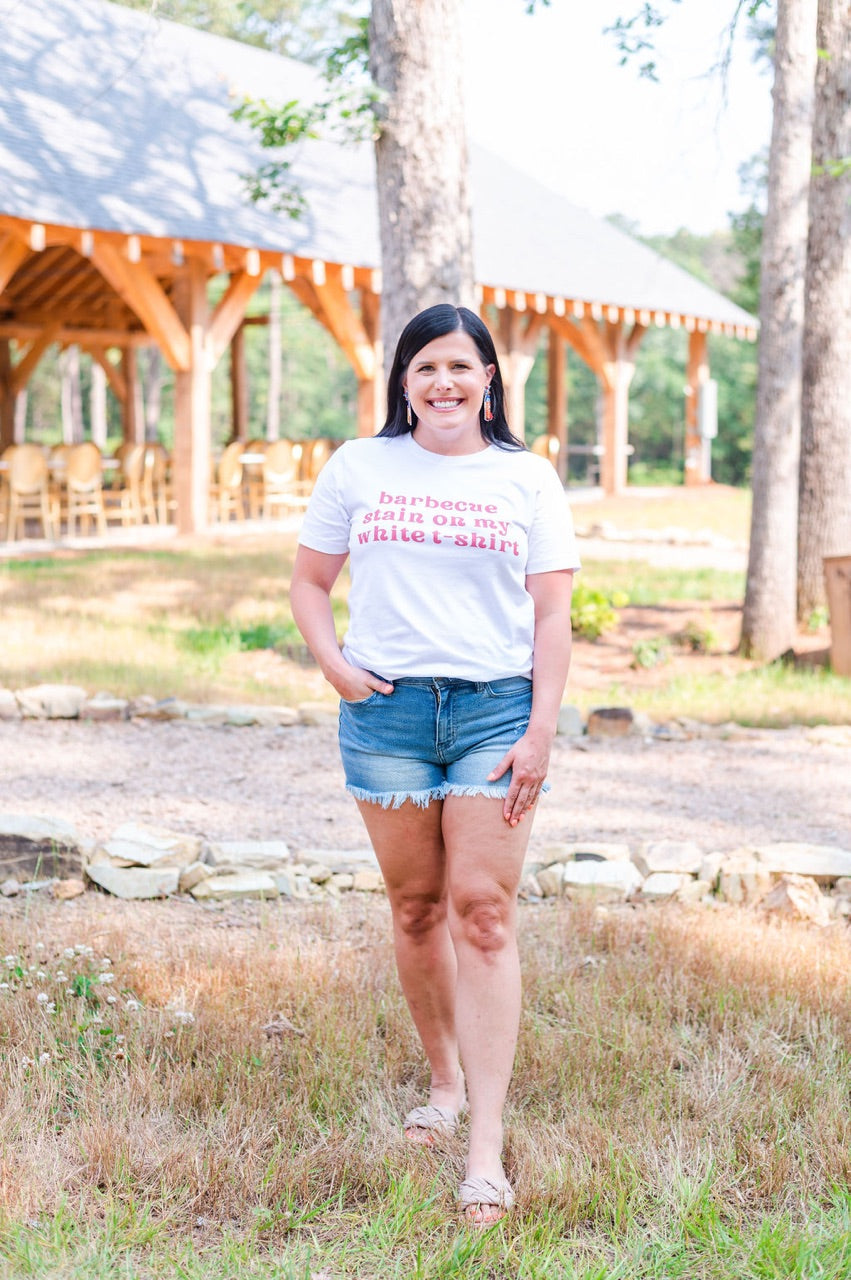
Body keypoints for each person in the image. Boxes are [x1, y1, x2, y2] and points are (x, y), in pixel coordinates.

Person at [290, 303, 580, 1226]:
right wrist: (334, 664)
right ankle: (443, 1084)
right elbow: (308, 581)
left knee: (484, 916)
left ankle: (484, 1151)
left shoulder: (526, 479)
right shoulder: (358, 466)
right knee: (416, 908)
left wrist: (539, 730)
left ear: (489, 378)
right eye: (425, 369)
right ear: (402, 381)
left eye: (461, 367)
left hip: (495, 707)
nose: (444, 384)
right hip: (388, 713)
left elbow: (550, 618)